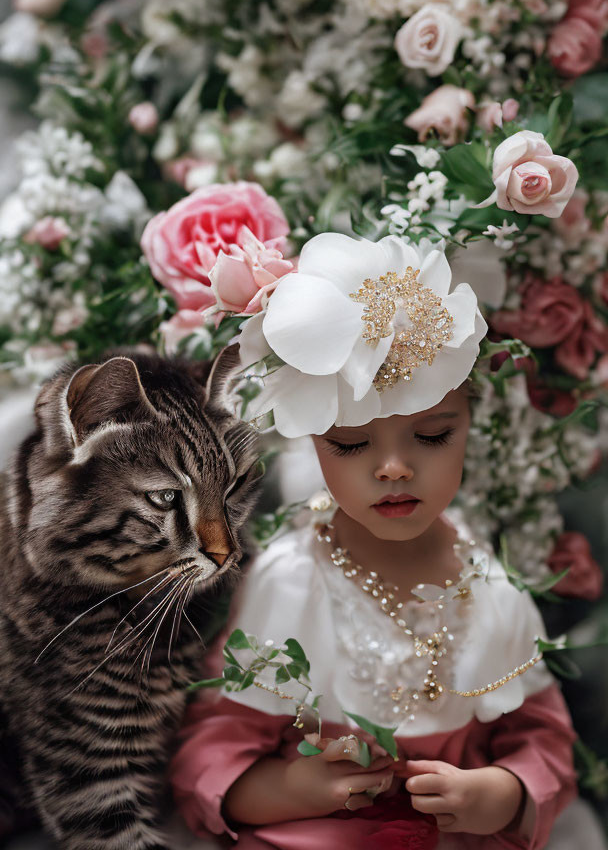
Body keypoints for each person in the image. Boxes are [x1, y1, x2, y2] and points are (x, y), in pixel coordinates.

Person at [169, 233, 585, 849]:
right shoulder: (291, 583)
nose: (393, 468)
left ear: (470, 426)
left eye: (433, 435)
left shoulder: (491, 592)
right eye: (353, 445)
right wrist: (291, 788)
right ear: (314, 442)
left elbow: (543, 743)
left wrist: (501, 793)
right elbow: (212, 753)